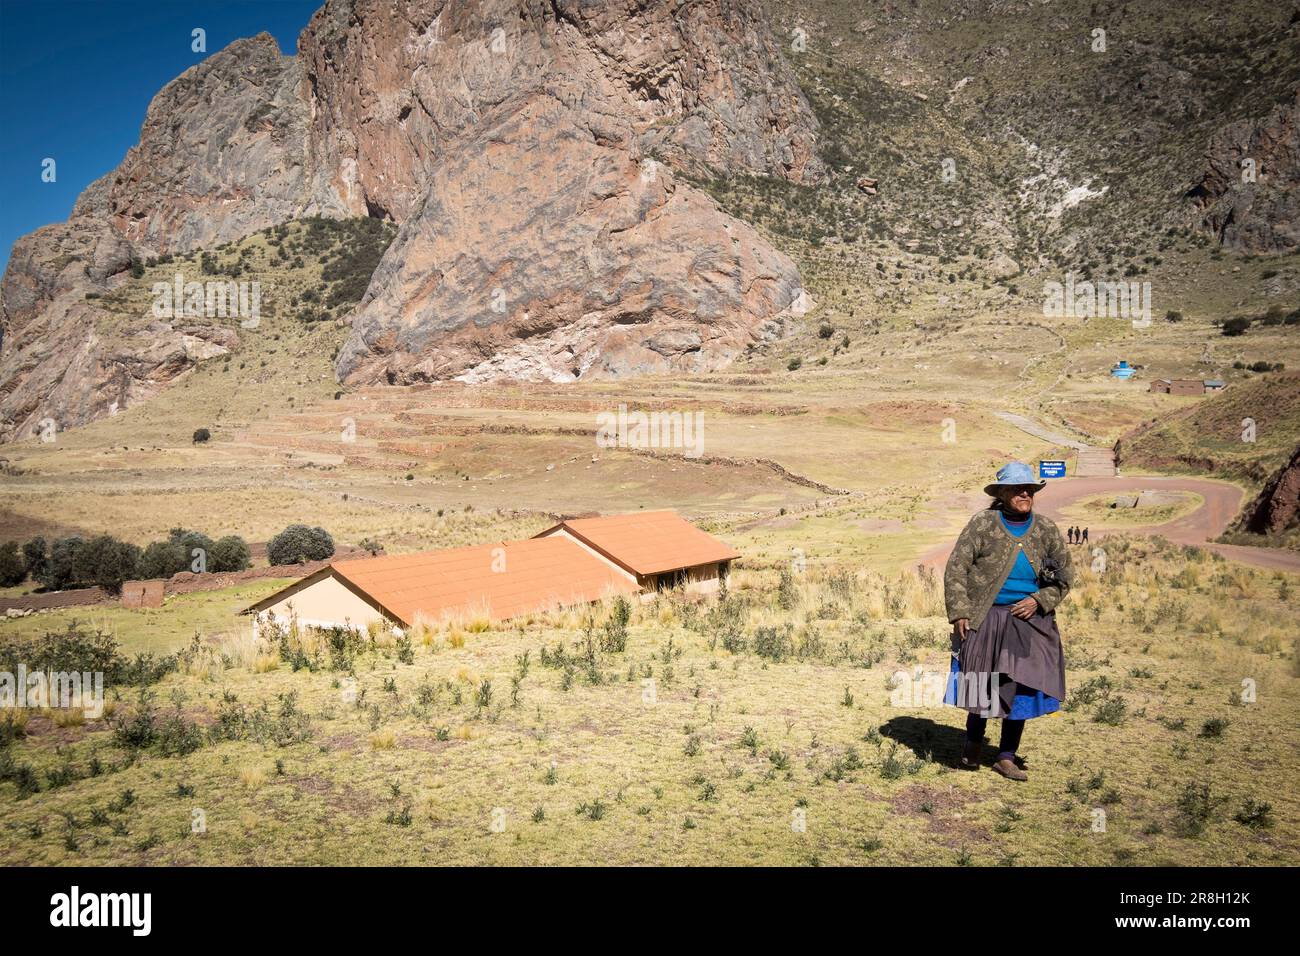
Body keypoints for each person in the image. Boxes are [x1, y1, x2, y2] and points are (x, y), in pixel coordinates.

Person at [943, 461, 1073, 781]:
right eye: (1017, 488)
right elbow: (957, 568)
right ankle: (973, 744)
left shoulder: (1045, 529)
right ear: (1002, 493)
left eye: (1029, 488)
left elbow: (1064, 576)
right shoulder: (982, 524)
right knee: (981, 684)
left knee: (1021, 688)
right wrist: (960, 611)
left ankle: (1006, 755)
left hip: (1028, 621)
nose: (1025, 493)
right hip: (985, 617)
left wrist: (1038, 600)